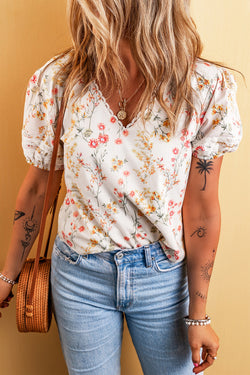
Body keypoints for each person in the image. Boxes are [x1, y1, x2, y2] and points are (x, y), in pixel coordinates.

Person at [0, 1, 242, 374]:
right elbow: (37, 188)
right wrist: (7, 276)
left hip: (163, 278)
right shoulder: (58, 81)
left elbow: (202, 207)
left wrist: (198, 315)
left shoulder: (204, 88)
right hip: (79, 277)